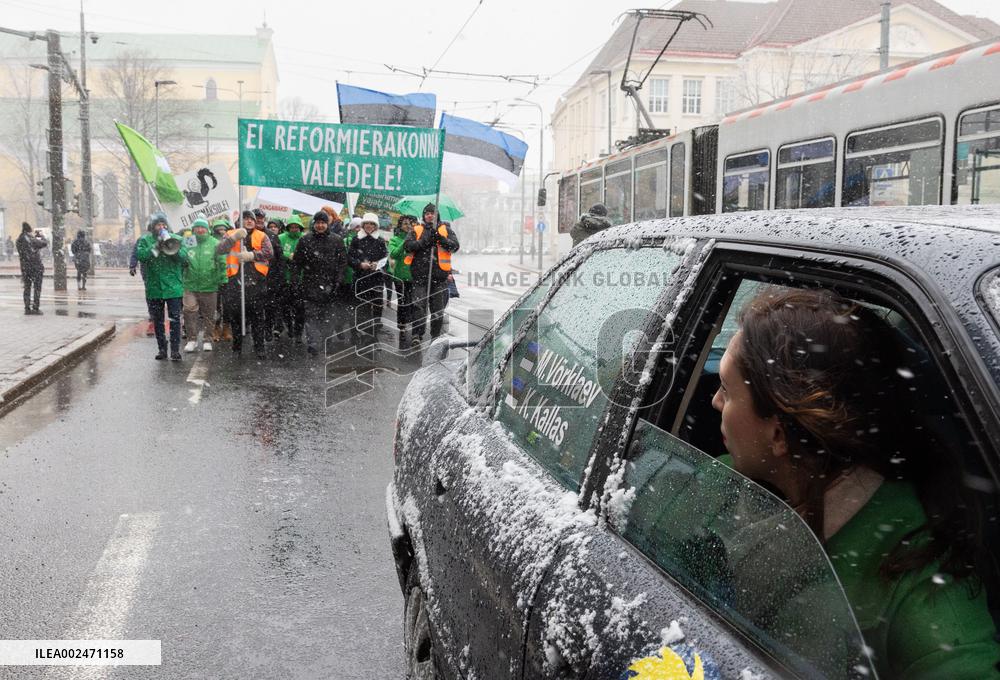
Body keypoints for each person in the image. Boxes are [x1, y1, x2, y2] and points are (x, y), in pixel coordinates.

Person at [712, 287, 1000, 679]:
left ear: (779, 435)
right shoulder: (720, 476)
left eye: (726, 390)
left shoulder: (919, 582)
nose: (713, 401)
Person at [215, 210, 273, 359]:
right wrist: (233, 238)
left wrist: (252, 255)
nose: (249, 221)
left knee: (258, 318)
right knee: (236, 318)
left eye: (251, 219)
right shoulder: (230, 234)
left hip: (256, 283)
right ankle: (236, 348)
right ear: (239, 221)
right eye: (245, 219)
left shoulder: (262, 236)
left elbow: (269, 253)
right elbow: (220, 250)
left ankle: (259, 347)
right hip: (235, 283)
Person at [404, 203, 459, 347]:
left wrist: (440, 239)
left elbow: (455, 246)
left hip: (439, 277)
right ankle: (417, 334)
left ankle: (435, 336)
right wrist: (423, 241)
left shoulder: (445, 229)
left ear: (437, 215)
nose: (430, 215)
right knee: (419, 307)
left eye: (432, 213)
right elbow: (408, 246)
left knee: (437, 309)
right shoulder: (417, 229)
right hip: (420, 277)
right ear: (424, 216)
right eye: (427, 213)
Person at [292, 210, 346, 356]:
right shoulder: (305, 240)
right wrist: (295, 281)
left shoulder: (337, 240)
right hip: (310, 284)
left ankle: (324, 338)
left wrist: (338, 280)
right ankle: (313, 344)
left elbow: (342, 263)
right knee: (311, 315)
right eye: (318, 223)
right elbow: (297, 263)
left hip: (330, 285)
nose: (320, 225)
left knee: (328, 316)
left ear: (327, 224)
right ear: (314, 224)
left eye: (323, 223)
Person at [135, 212, 188, 360]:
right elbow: (142, 256)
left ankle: (175, 350)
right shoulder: (145, 240)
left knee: (175, 320)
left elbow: (184, 259)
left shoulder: (177, 238)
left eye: (163, 224)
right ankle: (162, 349)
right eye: (158, 224)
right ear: (152, 226)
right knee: (158, 321)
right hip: (154, 287)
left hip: (173, 287)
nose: (161, 227)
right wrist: (157, 245)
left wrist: (171, 246)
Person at [181, 217, 226, 353]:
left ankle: (208, 339)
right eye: (197, 227)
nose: (200, 230)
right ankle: (192, 339)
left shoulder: (214, 243)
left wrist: (223, 277)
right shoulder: (189, 241)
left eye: (203, 227)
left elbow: (222, 261)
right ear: (193, 229)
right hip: (190, 284)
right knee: (189, 311)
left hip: (209, 285)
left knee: (209, 314)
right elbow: (181, 256)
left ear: (207, 229)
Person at [349, 212, 388, 346]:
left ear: (376, 226)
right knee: (361, 306)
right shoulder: (356, 240)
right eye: (367, 223)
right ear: (363, 225)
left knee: (377, 306)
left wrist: (378, 265)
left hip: (376, 279)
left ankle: (374, 334)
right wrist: (360, 264)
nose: (369, 226)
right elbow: (350, 258)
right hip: (361, 279)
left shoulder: (380, 241)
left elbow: (385, 259)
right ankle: (360, 333)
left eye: (372, 224)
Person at [388, 214, 415, 349]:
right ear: (400, 225)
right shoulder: (395, 239)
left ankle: (412, 325)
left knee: (413, 302)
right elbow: (393, 254)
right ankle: (402, 327)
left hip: (415, 276)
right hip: (400, 277)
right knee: (403, 302)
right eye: (405, 223)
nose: (408, 226)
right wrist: (405, 242)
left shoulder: (417, 239)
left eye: (411, 223)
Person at [278, 215, 306, 342]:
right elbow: (276, 252)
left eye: (296, 227)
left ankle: (299, 332)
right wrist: (288, 255)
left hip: (300, 279)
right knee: (285, 307)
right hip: (285, 278)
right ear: (288, 227)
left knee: (300, 308)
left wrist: (298, 257)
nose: (294, 229)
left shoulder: (305, 239)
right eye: (292, 226)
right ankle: (289, 327)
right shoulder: (281, 238)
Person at [16, 222, 47, 315]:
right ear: (29, 230)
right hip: (36, 267)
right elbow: (44, 243)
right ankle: (36, 308)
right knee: (37, 288)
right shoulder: (31, 239)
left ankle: (27, 308)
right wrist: (41, 236)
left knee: (27, 287)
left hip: (25, 268)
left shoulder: (18, 240)